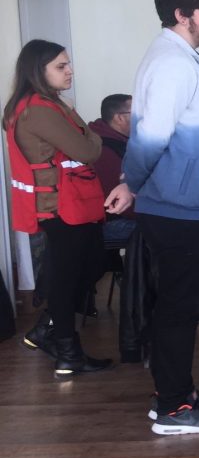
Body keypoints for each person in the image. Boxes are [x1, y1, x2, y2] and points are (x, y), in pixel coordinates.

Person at [122, 0, 199, 435]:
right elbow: (150, 137)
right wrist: (131, 182)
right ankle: (173, 408)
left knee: (181, 304)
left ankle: (176, 391)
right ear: (182, 14)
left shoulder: (180, 57)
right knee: (178, 307)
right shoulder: (173, 63)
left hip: (184, 205)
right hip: (178, 209)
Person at [5, 39, 117, 377]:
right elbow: (89, 150)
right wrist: (82, 124)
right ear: (38, 71)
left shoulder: (43, 105)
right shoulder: (39, 109)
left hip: (71, 204)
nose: (70, 71)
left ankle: (47, 330)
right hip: (61, 207)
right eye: (61, 66)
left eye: (68, 64)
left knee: (89, 266)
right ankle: (68, 353)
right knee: (68, 279)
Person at [89, 94, 137, 243]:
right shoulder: (104, 150)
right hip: (113, 221)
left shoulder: (123, 141)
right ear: (119, 118)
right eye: (137, 112)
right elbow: (119, 203)